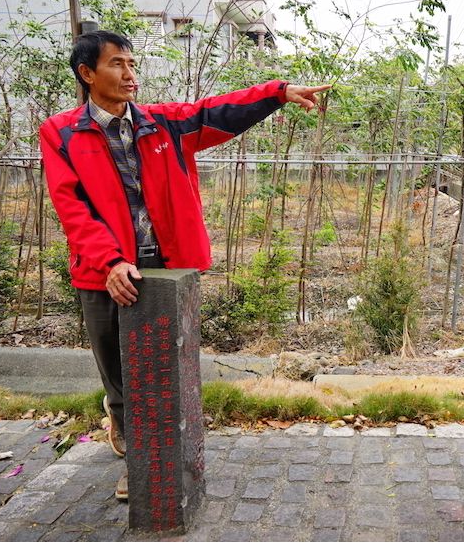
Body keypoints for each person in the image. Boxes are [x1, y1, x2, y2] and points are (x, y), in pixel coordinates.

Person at [40, 30, 330, 499]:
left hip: (165, 266)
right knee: (116, 367)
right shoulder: (62, 133)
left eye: (132, 64)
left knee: (163, 365)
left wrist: (277, 93)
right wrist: (111, 261)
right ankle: (120, 418)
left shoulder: (163, 124)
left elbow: (218, 111)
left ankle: (145, 461)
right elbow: (71, 205)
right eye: (117, 64)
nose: (130, 75)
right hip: (102, 271)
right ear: (87, 73)